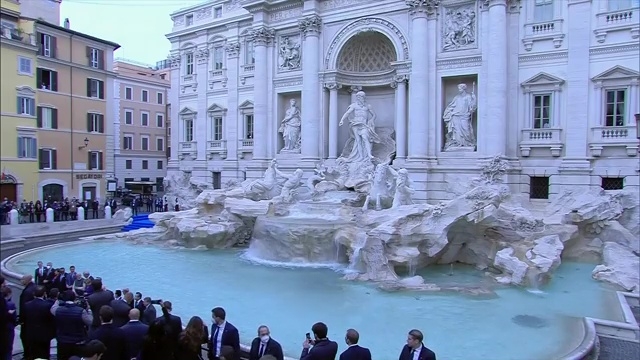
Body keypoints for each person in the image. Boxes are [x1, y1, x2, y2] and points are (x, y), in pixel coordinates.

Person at [51, 290, 93, 360]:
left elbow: (52, 308)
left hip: (62, 342)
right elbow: (90, 321)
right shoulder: (81, 311)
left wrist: (57, 300)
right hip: (77, 342)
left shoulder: (58, 310)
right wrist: (87, 308)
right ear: (74, 298)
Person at [21, 285, 56, 360]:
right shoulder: (48, 305)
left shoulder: (27, 305)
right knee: (44, 355)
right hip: (44, 335)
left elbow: (24, 319)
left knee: (33, 354)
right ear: (44, 294)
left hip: (31, 334)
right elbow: (51, 320)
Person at [1, 286, 17, 360]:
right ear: (9, 294)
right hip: (8, 328)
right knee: (8, 349)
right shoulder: (11, 304)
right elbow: (14, 318)